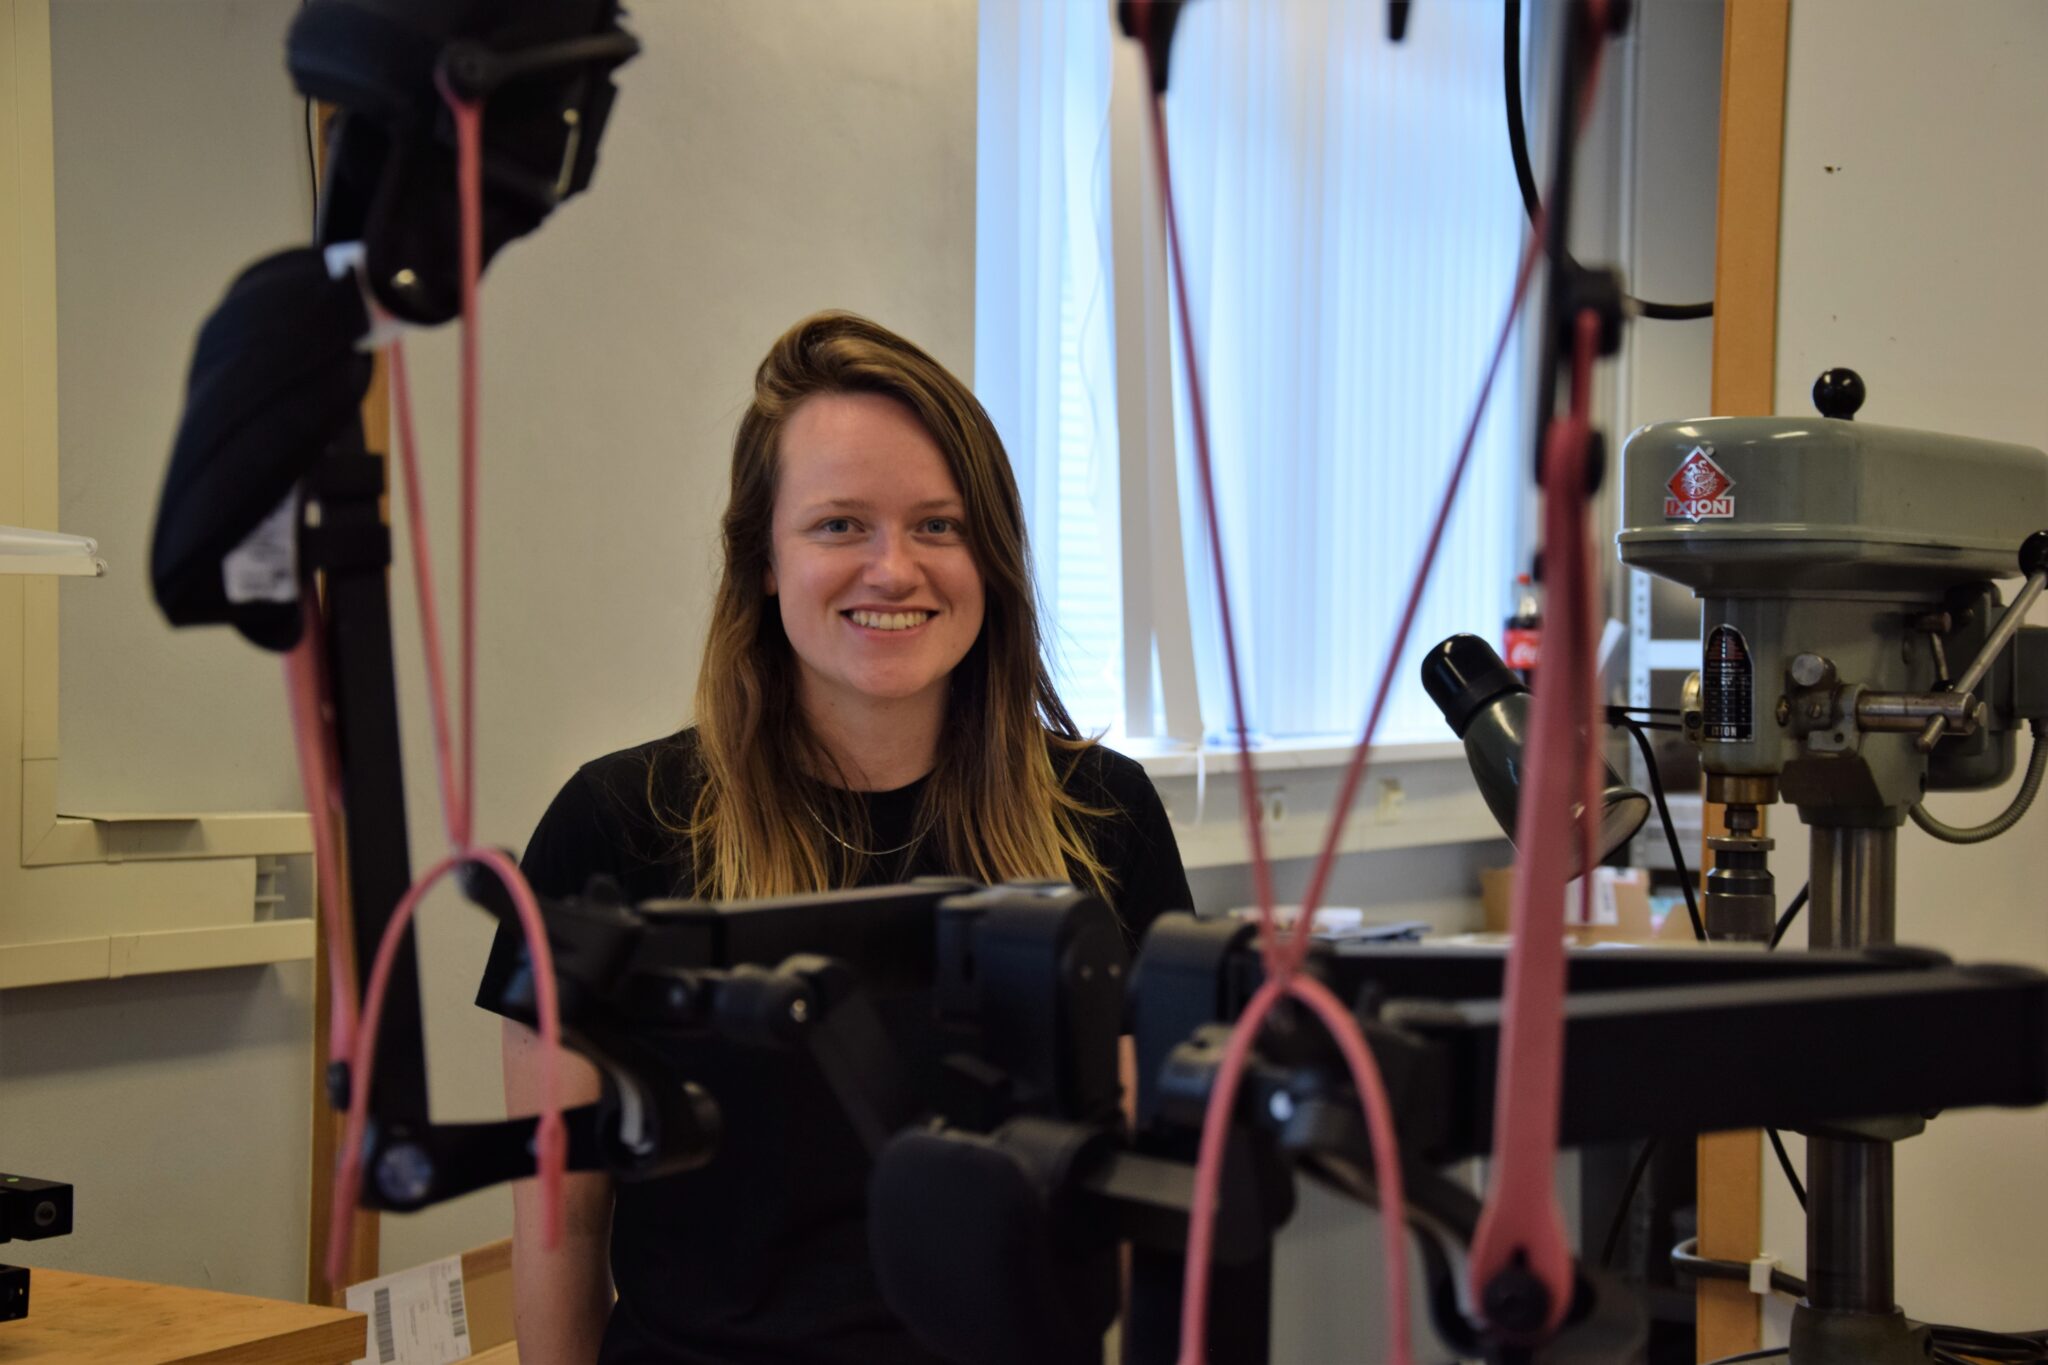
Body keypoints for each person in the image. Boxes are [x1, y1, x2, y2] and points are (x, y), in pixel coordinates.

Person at [477, 311, 1194, 1364]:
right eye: (839, 525)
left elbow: (1138, 1203)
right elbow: (562, 1225)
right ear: (762, 560)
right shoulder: (615, 823)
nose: (892, 569)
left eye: (938, 525)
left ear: (991, 558)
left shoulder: (1102, 815)